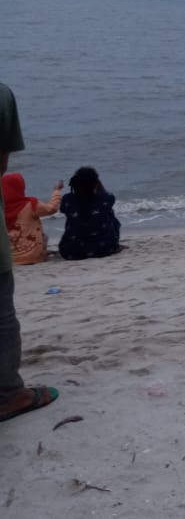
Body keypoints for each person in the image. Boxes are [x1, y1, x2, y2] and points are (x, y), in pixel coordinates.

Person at [1, 81, 60, 423]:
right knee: (2, 315)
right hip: (28, 255)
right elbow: (51, 209)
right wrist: (55, 192)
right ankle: (8, 394)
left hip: (11, 247)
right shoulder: (29, 205)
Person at [58, 167, 122, 259]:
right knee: (109, 213)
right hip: (104, 249)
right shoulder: (107, 198)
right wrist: (97, 185)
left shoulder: (67, 199)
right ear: (96, 183)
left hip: (71, 251)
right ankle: (114, 244)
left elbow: (63, 210)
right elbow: (103, 197)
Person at [3, 173, 64, 265]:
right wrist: (57, 191)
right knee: (44, 236)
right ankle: (42, 253)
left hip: (10, 259)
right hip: (33, 257)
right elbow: (51, 208)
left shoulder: (1, 208)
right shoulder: (31, 204)